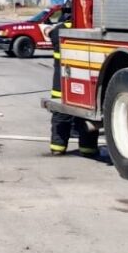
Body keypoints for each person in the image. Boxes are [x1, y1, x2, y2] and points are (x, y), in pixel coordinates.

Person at [47, 15, 98, 156]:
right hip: (85, 87)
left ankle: (57, 148)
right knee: (86, 118)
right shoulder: (89, 31)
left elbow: (49, 33)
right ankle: (89, 149)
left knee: (60, 118)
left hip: (60, 87)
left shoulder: (59, 31)